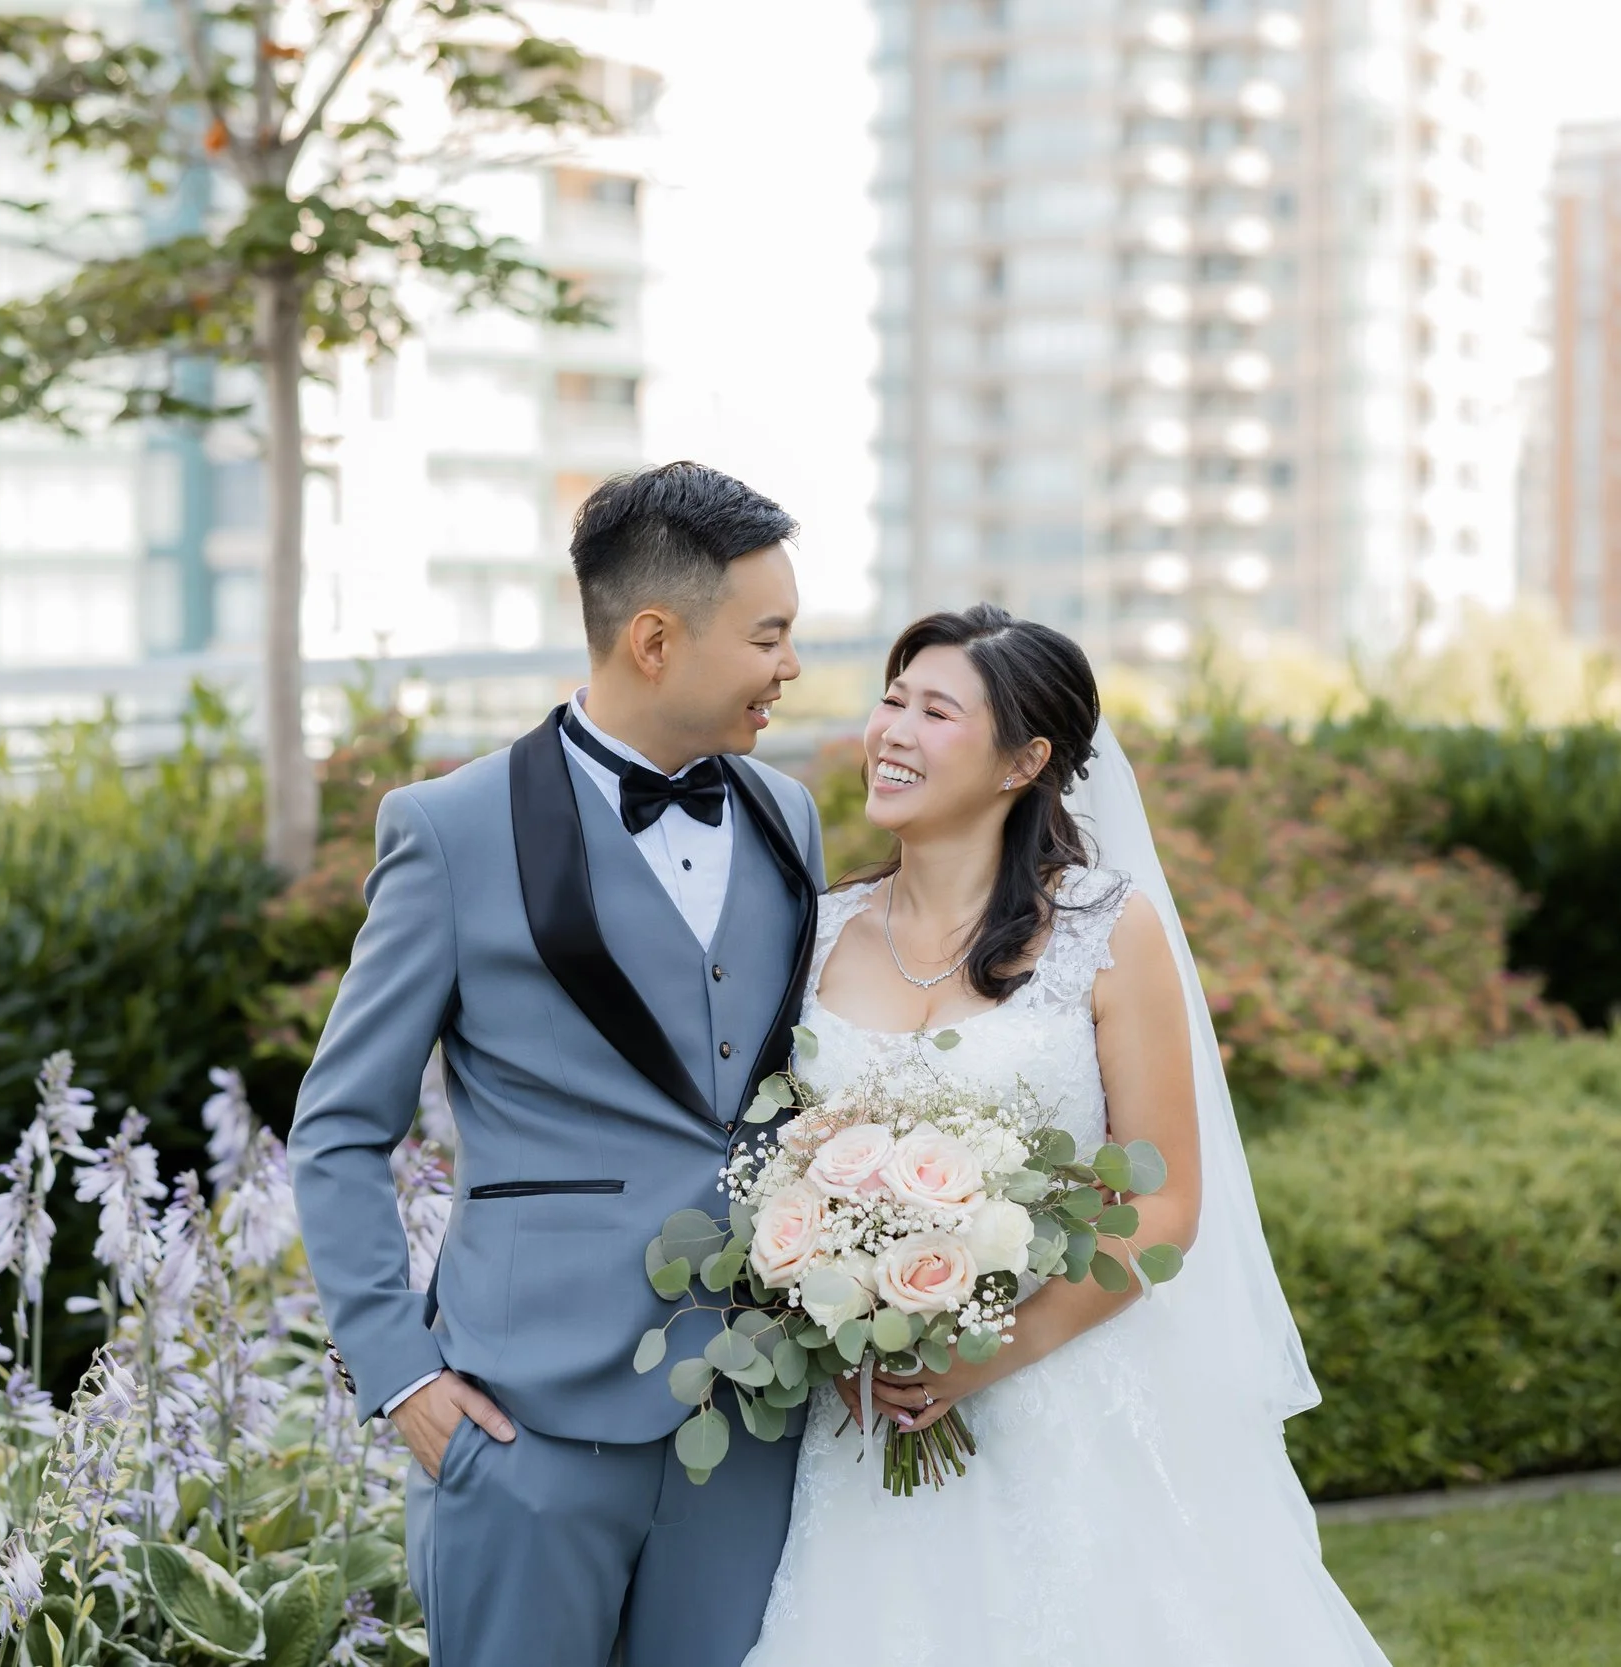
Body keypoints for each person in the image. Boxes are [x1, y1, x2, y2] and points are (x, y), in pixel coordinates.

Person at [742, 605, 1390, 1665]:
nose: (892, 731)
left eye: (935, 710)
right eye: (891, 700)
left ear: (1024, 759)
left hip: (1067, 1400)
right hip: (860, 1419)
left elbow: (1166, 1201)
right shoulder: (812, 933)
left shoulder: (1101, 930)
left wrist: (985, 1351)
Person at [287, 462, 827, 1667]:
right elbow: (335, 1129)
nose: (790, 666)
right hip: (523, 1422)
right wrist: (400, 1378)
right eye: (769, 635)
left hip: (750, 1413)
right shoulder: (450, 827)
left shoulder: (788, 814)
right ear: (652, 638)